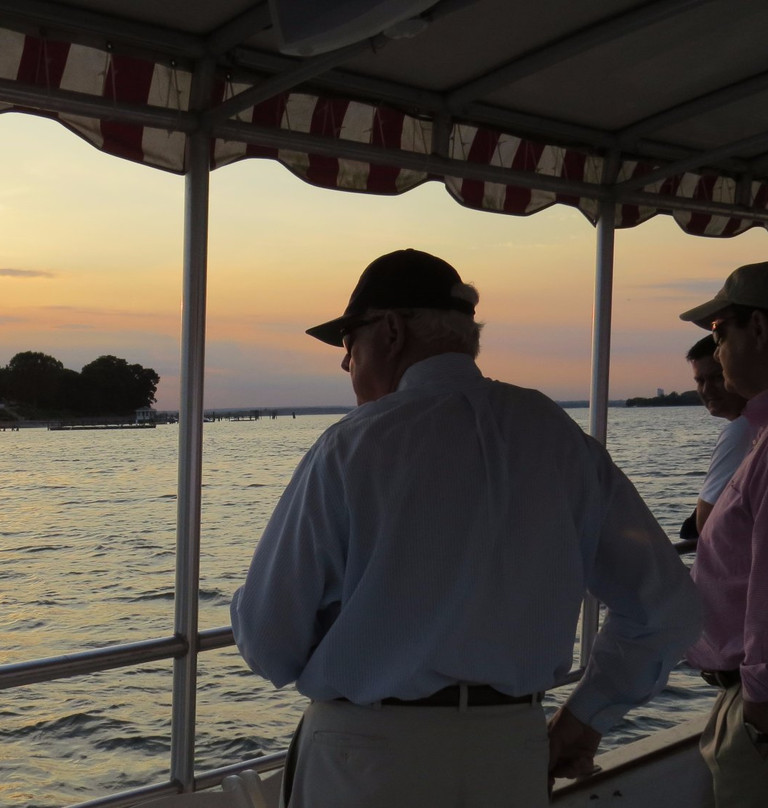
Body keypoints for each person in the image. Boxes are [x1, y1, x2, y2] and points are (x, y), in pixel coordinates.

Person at [230, 249, 701, 808]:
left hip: (368, 757)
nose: (344, 362)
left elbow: (270, 644)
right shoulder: (557, 436)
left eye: (348, 342)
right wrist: (586, 715)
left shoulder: (351, 446)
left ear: (391, 330)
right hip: (510, 752)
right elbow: (666, 609)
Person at [679, 261, 768, 807]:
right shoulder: (757, 433)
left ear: (758, 327)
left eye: (718, 331)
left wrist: (758, 709)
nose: (716, 349)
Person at [678, 335, 752, 540]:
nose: (706, 389)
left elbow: (707, 524)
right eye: (700, 381)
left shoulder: (742, 431)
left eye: (717, 377)